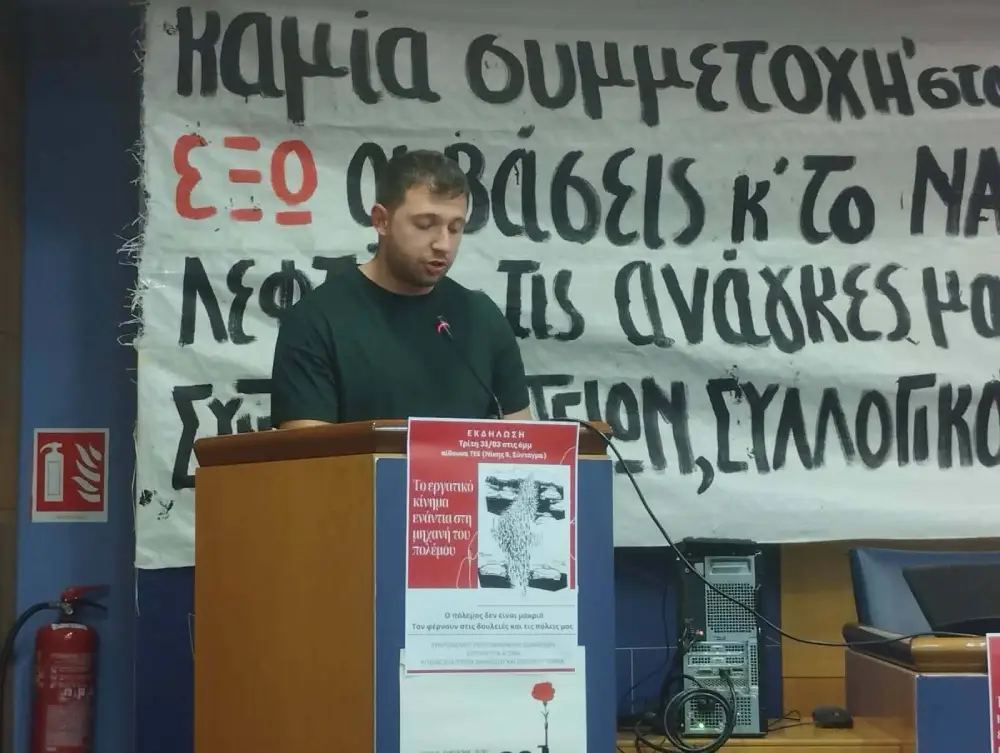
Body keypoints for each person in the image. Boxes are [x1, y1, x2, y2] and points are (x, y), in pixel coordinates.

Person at [269, 149, 532, 429]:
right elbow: (310, 451)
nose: (443, 244)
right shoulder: (316, 322)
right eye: (425, 225)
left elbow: (523, 442)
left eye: (455, 228)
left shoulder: (483, 320)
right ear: (381, 221)